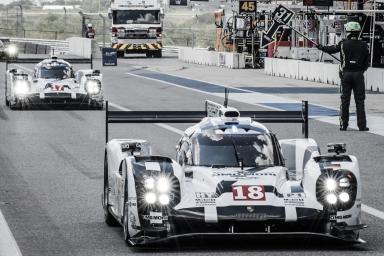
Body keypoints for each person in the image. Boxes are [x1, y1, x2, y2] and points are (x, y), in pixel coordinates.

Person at [317, 21, 369, 131]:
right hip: (359, 75)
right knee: (360, 101)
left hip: (346, 74)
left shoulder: (343, 43)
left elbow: (331, 49)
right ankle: (362, 126)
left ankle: (343, 125)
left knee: (345, 100)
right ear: (358, 32)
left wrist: (321, 47)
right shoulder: (364, 45)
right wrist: (360, 70)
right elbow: (367, 63)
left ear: (348, 32)